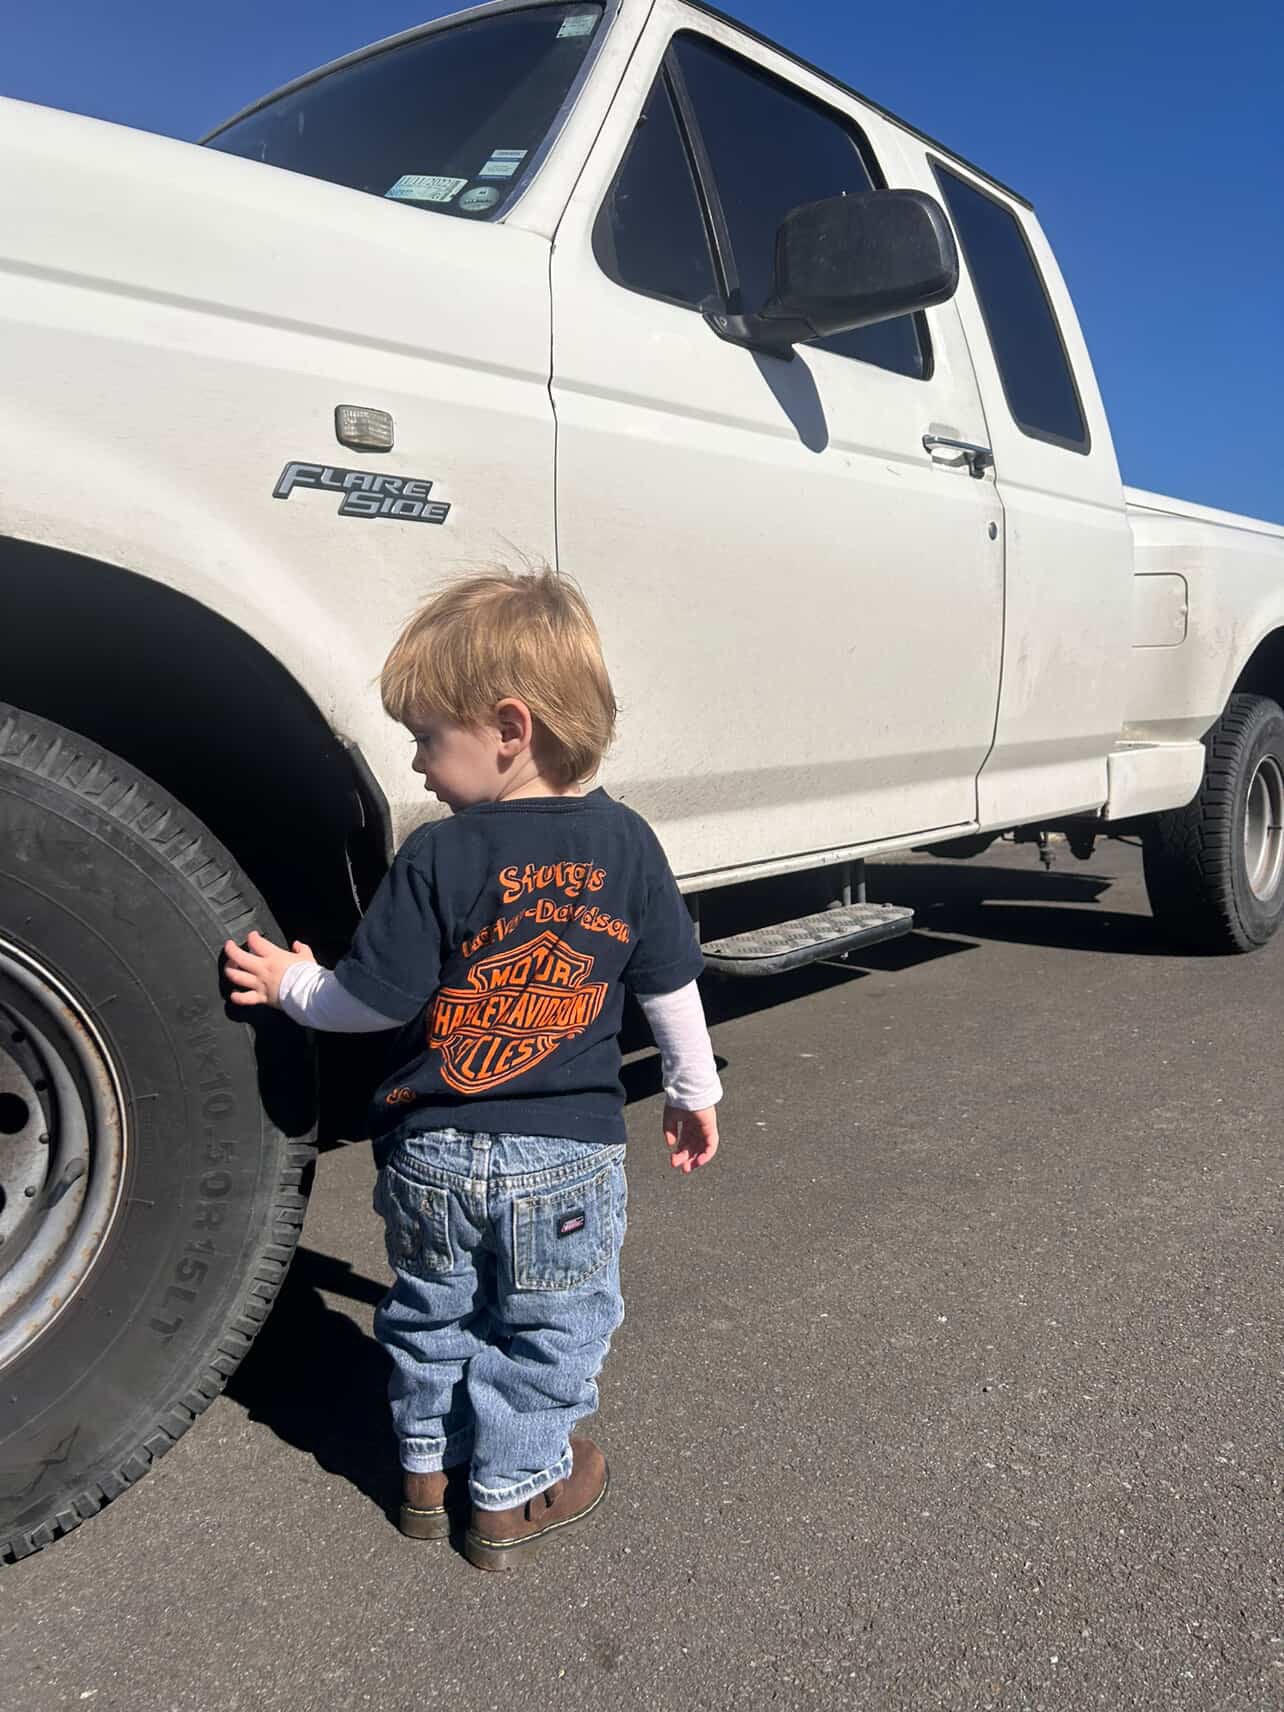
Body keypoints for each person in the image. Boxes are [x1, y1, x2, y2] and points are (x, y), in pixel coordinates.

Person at [223, 567, 722, 1572]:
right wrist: (692, 1090)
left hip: (432, 1155)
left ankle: (426, 1469)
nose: (416, 764)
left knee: (431, 1307)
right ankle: (512, 1490)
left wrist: (291, 984)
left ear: (508, 727)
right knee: (551, 1326)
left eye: (425, 737)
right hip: (565, 1157)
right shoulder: (629, 845)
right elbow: (668, 982)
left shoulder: (439, 854)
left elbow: (371, 1000)